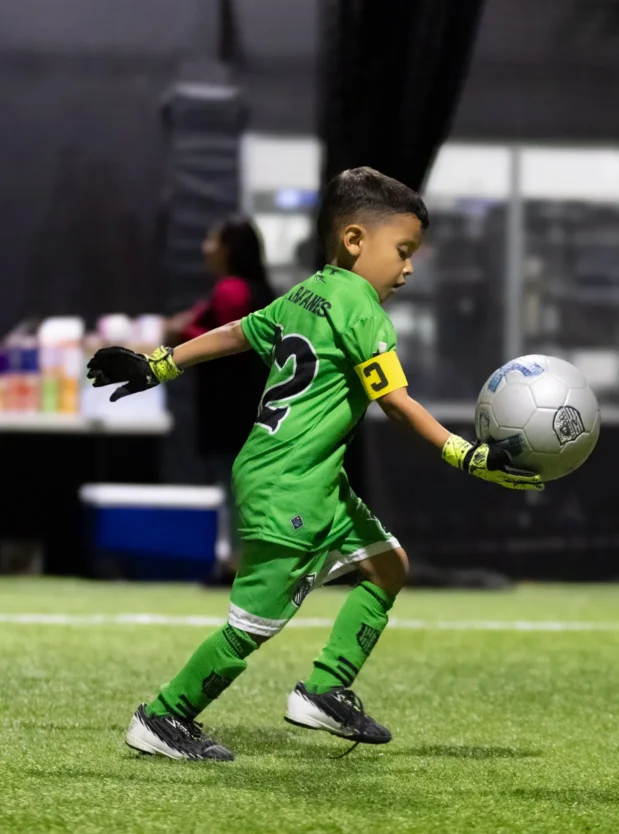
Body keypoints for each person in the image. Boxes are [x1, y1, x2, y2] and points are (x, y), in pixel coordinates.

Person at [87, 167, 542, 762]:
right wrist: (465, 453)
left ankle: (325, 690)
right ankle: (165, 715)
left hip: (307, 477)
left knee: (388, 566)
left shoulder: (306, 294)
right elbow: (396, 403)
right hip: (290, 485)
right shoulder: (363, 311)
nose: (409, 268)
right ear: (355, 240)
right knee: (252, 626)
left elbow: (235, 332)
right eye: (403, 251)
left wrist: (160, 364)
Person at [168, 216, 273, 579]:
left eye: (213, 241)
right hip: (252, 407)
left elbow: (226, 341)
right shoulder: (256, 290)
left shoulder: (232, 290)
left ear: (229, 249)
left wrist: (183, 334)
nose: (205, 248)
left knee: (236, 488)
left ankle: (237, 564)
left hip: (234, 410)